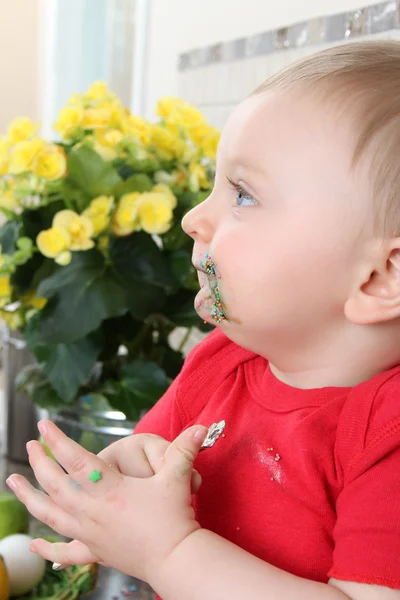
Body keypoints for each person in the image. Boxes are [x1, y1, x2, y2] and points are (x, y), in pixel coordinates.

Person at [6, 39, 400, 600]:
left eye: (243, 194)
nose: (194, 218)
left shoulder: (387, 434)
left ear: (381, 278)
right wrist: (120, 482)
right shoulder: (222, 361)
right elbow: (149, 463)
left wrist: (167, 552)